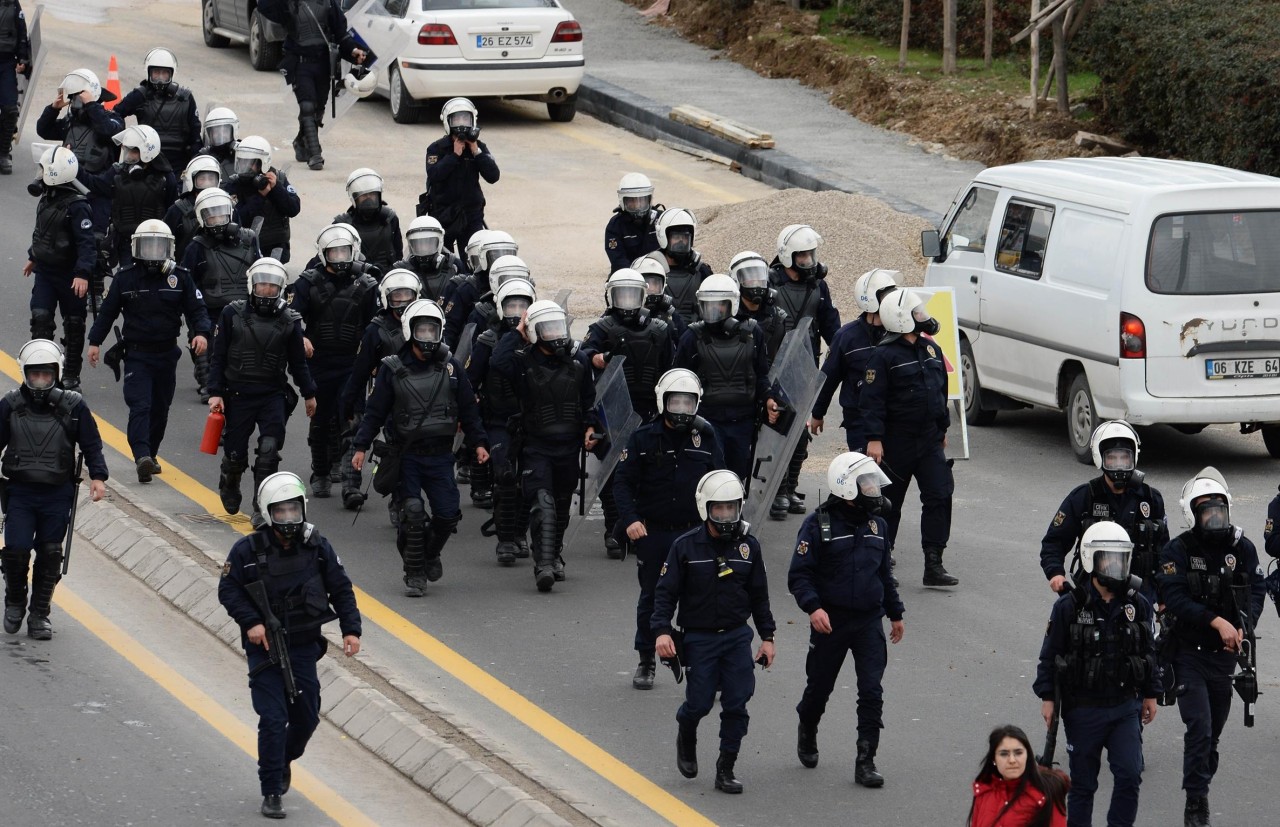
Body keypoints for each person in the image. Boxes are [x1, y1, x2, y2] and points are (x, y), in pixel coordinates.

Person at [217, 472, 362, 819]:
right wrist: (250, 623)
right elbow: (228, 590)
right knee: (272, 718)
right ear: (269, 514)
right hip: (265, 649)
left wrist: (350, 630)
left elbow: (341, 588)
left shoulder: (318, 546)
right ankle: (271, 790)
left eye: (293, 511)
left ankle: (283, 759)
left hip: (302, 646)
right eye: (280, 512)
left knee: (307, 718)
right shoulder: (247, 550)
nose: (288, 519)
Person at [352, 300, 488, 596]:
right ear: (409, 331)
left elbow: (468, 408)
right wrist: (360, 447)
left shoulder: (451, 369)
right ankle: (414, 573)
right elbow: (374, 411)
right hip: (406, 456)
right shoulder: (391, 369)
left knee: (448, 513)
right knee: (412, 512)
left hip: (440, 455)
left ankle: (429, 553)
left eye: (432, 330)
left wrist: (479, 443)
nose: (427, 337)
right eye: (421, 330)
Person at [652, 470, 776, 794]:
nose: (726, 516)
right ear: (705, 508)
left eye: (731, 508)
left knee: (738, 700)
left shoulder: (749, 547)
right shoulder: (685, 547)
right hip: (699, 638)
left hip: (737, 636)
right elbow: (665, 593)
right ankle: (686, 727)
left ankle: (726, 767)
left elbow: (760, 596)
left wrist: (768, 637)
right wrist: (662, 632)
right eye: (719, 509)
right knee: (700, 702)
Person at [1157, 468, 1265, 827]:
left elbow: (1256, 591)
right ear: (1192, 514)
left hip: (1225, 660)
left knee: (1212, 735)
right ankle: (1196, 803)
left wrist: (1243, 624)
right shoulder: (1177, 551)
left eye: (1219, 510)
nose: (1215, 518)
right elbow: (1173, 597)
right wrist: (1214, 622)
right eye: (1206, 511)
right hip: (1188, 654)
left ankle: (1203, 763)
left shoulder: (1243, 548)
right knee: (1199, 728)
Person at [788, 452, 903, 786]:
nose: (872, 489)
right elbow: (800, 576)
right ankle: (807, 725)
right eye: (865, 483)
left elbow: (884, 575)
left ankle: (866, 759)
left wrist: (896, 614)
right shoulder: (817, 525)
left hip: (868, 621)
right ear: (846, 488)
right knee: (819, 688)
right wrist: (813, 608)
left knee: (871, 690)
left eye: (872, 482)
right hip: (830, 621)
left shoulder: (878, 526)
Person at [1035, 521, 1160, 827]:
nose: (1116, 567)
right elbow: (1050, 654)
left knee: (1130, 775)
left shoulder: (1137, 604)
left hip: (1124, 707)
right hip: (1083, 709)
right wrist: (1048, 698)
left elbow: (1148, 652)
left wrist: (1151, 693)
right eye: (1109, 559)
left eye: (1121, 559)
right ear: (1091, 560)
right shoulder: (1069, 607)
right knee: (1083, 785)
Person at [613, 369, 724, 689]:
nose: (681, 411)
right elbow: (622, 482)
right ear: (663, 402)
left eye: (688, 404)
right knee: (652, 597)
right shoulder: (642, 438)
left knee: (698, 599)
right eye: (675, 403)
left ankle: (697, 663)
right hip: (654, 534)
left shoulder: (707, 435)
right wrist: (631, 519)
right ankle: (646, 659)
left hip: (694, 533)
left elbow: (719, 482)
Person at [86, 220, 211, 482]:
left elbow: (197, 310)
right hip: (137, 355)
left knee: (160, 408)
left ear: (169, 248)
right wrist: (94, 342)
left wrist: (201, 333)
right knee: (140, 405)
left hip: (167, 355)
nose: (153, 252)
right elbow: (107, 313)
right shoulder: (125, 278)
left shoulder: (181, 277)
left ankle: (150, 455)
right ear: (136, 248)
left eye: (159, 246)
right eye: (148, 246)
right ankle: (141, 455)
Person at [1, 339, 109, 640]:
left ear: (56, 373)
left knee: (50, 554)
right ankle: (14, 601)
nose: (39, 381)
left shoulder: (74, 406)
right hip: (20, 492)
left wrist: (98, 478)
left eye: (45, 374)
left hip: (57, 493)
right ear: (25, 373)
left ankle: (39, 614)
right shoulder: (10, 405)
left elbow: (91, 444)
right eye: (34, 374)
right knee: (16, 551)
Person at [489, 300, 598, 591]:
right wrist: (518, 332)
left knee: (561, 505)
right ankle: (544, 564)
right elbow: (497, 362)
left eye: (557, 327)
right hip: (536, 447)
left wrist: (590, 427)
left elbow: (589, 400)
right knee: (543, 503)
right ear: (535, 332)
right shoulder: (522, 362)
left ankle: (554, 554)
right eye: (546, 329)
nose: (555, 334)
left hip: (568, 446)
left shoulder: (578, 362)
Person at [861, 288, 957, 587]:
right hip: (895, 442)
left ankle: (934, 563)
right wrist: (874, 439)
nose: (923, 318)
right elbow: (871, 401)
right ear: (902, 320)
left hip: (929, 440)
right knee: (889, 504)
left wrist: (942, 430)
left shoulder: (931, 350)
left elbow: (940, 393)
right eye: (917, 314)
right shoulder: (883, 356)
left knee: (940, 496)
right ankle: (881, 561)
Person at [207, 258, 317, 521]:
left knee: (269, 450)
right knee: (235, 454)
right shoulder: (231, 314)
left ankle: (261, 506)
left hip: (272, 394)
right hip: (237, 395)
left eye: (272, 286)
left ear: (280, 289)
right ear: (252, 286)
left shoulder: (290, 321)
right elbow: (218, 357)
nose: (266, 291)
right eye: (262, 286)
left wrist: (309, 393)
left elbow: (298, 363)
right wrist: (215, 391)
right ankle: (230, 481)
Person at [582, 268, 675, 558]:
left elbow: (671, 365)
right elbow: (581, 356)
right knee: (613, 471)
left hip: (649, 408)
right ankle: (614, 530)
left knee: (647, 470)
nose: (626, 301)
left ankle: (634, 529)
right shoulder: (603, 326)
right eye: (621, 294)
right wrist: (595, 357)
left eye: (632, 294)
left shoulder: (660, 328)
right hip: (613, 406)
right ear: (611, 295)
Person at [289, 224, 379, 506]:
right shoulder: (307, 282)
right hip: (320, 361)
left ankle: (350, 479)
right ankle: (321, 471)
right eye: (334, 252)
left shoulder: (367, 283)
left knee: (353, 418)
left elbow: (376, 324)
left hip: (353, 362)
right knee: (321, 418)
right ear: (324, 254)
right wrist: (301, 337)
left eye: (344, 251)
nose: (340, 257)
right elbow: (291, 317)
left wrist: (376, 359)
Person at [1041, 421, 1168, 601]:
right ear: (1100, 457)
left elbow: (1164, 552)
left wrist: (1164, 599)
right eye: (1112, 458)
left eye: (1124, 458)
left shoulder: (1151, 499)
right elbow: (1054, 541)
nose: (1118, 464)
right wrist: (1055, 573)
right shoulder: (1083, 497)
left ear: (1134, 458)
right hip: (1094, 591)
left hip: (1140, 594)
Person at [674, 274, 779, 481]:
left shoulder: (752, 333)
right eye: (707, 305)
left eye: (719, 306)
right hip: (706, 420)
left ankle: (735, 512)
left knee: (738, 475)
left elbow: (760, 375)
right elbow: (678, 379)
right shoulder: (692, 337)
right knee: (712, 473)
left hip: (743, 421)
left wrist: (768, 399)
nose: (713, 311)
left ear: (732, 304)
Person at [768, 224, 841, 520]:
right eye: (803, 256)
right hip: (775, 367)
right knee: (777, 432)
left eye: (811, 255)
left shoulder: (818, 287)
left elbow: (830, 324)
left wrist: (844, 350)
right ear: (788, 257)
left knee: (799, 435)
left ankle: (789, 488)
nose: (809, 261)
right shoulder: (770, 283)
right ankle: (775, 490)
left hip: (805, 367)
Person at [467, 277, 537, 565]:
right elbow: (470, 383)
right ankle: (506, 539)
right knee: (506, 478)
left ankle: (520, 533)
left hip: (532, 423)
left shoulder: (542, 339)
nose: (517, 312)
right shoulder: (487, 340)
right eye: (512, 306)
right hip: (498, 422)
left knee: (531, 481)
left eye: (524, 306)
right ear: (499, 308)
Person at [258, 0, 366, 171]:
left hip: (323, 64)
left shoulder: (329, 3)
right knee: (307, 106)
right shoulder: (288, 4)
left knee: (318, 109)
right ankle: (314, 154)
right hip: (299, 64)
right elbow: (264, 6)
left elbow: (341, 33)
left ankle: (301, 141)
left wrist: (353, 50)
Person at [24, 146, 96, 392]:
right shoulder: (47, 197)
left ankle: (71, 376)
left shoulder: (78, 207)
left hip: (70, 275)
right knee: (41, 319)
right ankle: (41, 369)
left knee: (74, 325)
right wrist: (33, 257)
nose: (40, 173)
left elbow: (87, 244)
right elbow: (43, 233)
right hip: (45, 272)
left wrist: (82, 274)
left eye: (44, 169)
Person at [183, 187, 261, 402]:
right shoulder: (196, 247)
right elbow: (186, 281)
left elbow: (260, 268)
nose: (217, 220)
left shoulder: (249, 238)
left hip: (245, 307)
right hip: (210, 308)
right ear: (202, 217)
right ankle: (208, 383)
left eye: (221, 213)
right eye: (211, 215)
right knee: (208, 349)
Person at [809, 268, 897, 453]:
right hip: (859, 421)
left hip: (895, 419)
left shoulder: (901, 333)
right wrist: (818, 413)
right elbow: (829, 377)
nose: (892, 300)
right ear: (871, 300)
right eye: (886, 296)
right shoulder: (846, 337)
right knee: (867, 478)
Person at [36, 68, 123, 230]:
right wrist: (53, 109)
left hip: (97, 191)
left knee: (94, 240)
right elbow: (43, 130)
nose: (75, 102)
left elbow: (107, 131)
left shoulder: (113, 119)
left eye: (79, 97)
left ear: (92, 96)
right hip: (69, 187)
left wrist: (91, 105)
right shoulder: (71, 121)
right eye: (73, 98)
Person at [79, 124, 178, 266]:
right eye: (127, 150)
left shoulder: (166, 179)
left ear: (146, 152)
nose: (128, 156)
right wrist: (74, 168)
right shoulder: (119, 172)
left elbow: (172, 211)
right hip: (126, 242)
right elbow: (96, 185)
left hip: (155, 243)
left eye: (132, 151)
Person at [424, 97, 499, 255]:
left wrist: (476, 152)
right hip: (444, 214)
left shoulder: (479, 148)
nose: (462, 124)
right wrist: (454, 155)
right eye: (457, 120)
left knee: (473, 260)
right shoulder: (436, 148)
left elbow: (493, 176)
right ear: (448, 122)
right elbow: (434, 174)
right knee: (444, 261)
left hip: (471, 214)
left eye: (465, 119)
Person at [112, 47, 201, 170]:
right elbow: (115, 114)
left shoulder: (186, 98)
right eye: (156, 73)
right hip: (146, 162)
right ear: (149, 73)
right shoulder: (140, 95)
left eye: (164, 73)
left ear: (172, 74)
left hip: (179, 164)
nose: (160, 78)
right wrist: (127, 140)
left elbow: (196, 136)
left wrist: (195, 164)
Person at [968, 725, 1068, 827]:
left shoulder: (1045, 795)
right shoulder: (984, 793)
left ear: (1027, 756)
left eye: (1018, 753)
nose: (1012, 760)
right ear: (994, 759)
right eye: (1004, 754)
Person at [225, 135, 301, 263]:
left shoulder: (279, 179)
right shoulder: (235, 184)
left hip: (275, 248)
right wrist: (260, 196)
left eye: (249, 163)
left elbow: (293, 209)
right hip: (246, 248)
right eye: (242, 162)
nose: (245, 167)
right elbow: (236, 218)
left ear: (263, 162)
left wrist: (276, 188)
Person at [443, 230, 516, 350]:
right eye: (495, 256)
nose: (500, 261)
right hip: (476, 347)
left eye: (506, 254)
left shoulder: (519, 287)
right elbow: (450, 327)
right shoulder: (468, 288)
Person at [334, 168, 402, 272]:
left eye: (372, 195)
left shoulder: (390, 219)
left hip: (387, 279)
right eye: (364, 196)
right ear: (354, 198)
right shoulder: (342, 224)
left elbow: (398, 254)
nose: (369, 199)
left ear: (379, 195)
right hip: (356, 281)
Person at [165, 155, 229, 261]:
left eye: (211, 178)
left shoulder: (227, 206)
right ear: (191, 180)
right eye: (202, 179)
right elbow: (166, 242)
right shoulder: (177, 209)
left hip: (218, 266)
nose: (207, 183)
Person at [730, 251, 788, 365]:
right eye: (750, 278)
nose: (756, 282)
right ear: (736, 280)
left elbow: (785, 359)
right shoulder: (730, 319)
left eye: (760, 277)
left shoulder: (777, 318)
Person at [654, 208, 711, 319]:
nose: (681, 242)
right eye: (676, 237)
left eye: (685, 237)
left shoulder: (702, 271)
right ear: (664, 237)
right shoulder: (650, 268)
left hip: (694, 333)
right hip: (660, 333)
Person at [394, 215, 460, 303]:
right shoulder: (401, 270)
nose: (424, 249)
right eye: (419, 245)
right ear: (411, 245)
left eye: (429, 244)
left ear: (440, 242)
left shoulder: (454, 266)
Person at [605, 172, 661, 272]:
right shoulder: (615, 225)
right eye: (632, 201)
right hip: (627, 275)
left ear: (649, 199)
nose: (638, 206)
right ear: (623, 201)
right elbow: (618, 260)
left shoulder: (661, 219)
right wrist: (634, 276)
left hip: (658, 275)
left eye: (641, 201)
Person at [0, 0, 30, 175]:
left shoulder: (12, 3)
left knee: (11, 110)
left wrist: (23, 58)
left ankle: (3, 153)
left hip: (6, 62)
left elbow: (21, 30)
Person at [635, 252, 686, 339]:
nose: (651, 288)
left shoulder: (671, 315)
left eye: (655, 283)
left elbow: (684, 343)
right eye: (646, 283)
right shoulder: (626, 311)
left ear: (663, 286)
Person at [198, 106, 240, 180]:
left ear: (234, 130)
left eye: (225, 131)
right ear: (209, 133)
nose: (220, 134)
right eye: (216, 131)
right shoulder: (203, 156)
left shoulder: (242, 153)